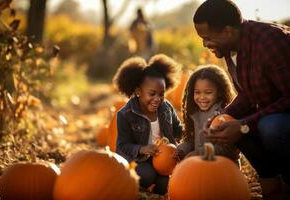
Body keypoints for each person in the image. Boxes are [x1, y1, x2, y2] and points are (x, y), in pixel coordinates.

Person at [193, 0, 290, 199]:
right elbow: (249, 93)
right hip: (274, 114)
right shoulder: (231, 47)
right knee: (230, 127)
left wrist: (244, 124)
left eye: (207, 37)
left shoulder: (271, 42)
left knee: (270, 127)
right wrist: (223, 116)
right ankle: (272, 185)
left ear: (227, 31)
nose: (204, 44)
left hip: (282, 120)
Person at [113, 54, 183, 195]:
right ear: (138, 91)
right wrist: (142, 149)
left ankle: (153, 195)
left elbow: (178, 130)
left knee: (165, 184)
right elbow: (121, 147)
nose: (157, 99)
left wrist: (190, 133)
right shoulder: (125, 114)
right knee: (147, 175)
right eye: (152, 94)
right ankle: (135, 190)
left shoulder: (166, 108)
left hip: (163, 159)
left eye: (161, 94)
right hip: (139, 160)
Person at [178, 65, 239, 161]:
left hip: (222, 166)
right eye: (197, 92)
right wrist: (181, 150)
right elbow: (191, 139)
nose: (202, 97)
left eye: (208, 92)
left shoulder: (222, 116)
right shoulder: (194, 113)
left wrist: (199, 153)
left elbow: (227, 149)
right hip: (201, 164)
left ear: (219, 92)